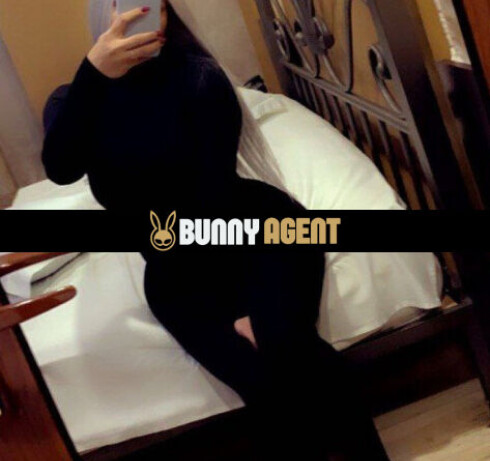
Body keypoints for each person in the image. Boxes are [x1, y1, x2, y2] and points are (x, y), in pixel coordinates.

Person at [41, 1, 390, 459]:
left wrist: (242, 306)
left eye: (153, 8)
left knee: (287, 344)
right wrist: (94, 75)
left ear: (167, 16)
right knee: (255, 377)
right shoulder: (72, 101)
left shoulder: (198, 78)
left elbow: (212, 196)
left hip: (263, 234)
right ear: (100, 19)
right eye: (123, 8)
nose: (140, 19)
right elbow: (61, 168)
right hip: (172, 265)